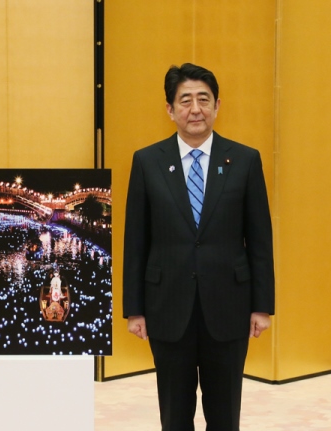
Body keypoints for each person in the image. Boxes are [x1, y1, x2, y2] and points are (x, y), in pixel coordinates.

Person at [123, 63, 275, 431]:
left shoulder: (244, 160)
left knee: (225, 415)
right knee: (174, 414)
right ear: (170, 109)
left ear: (217, 105)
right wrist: (135, 310)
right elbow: (136, 240)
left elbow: (259, 240)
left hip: (229, 307)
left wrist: (262, 306)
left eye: (203, 100)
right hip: (166, 307)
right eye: (185, 100)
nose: (195, 109)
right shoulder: (147, 161)